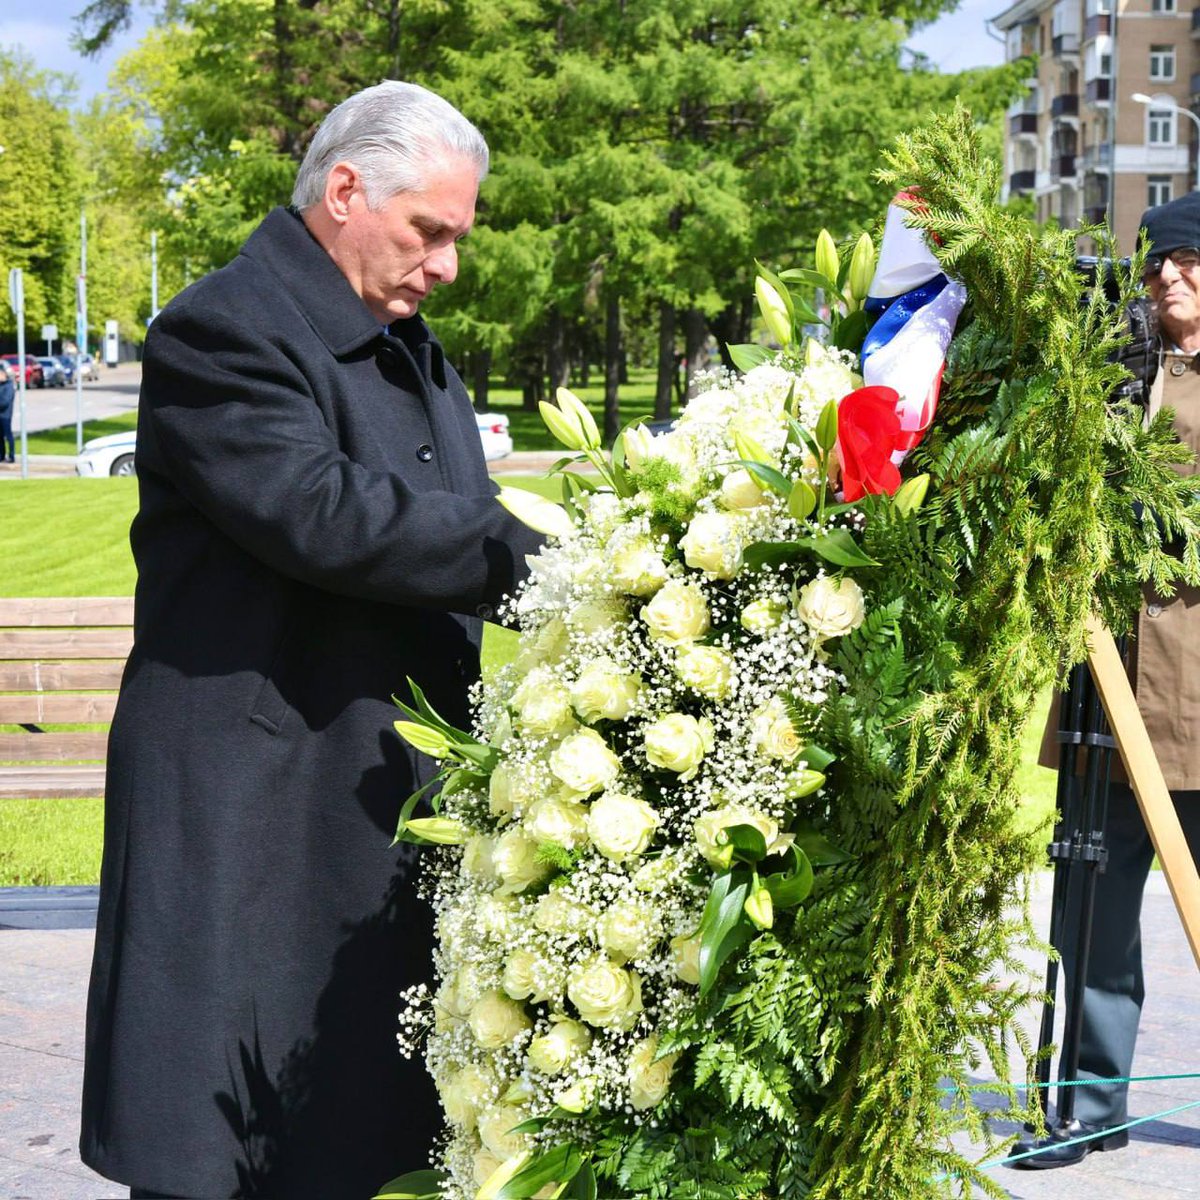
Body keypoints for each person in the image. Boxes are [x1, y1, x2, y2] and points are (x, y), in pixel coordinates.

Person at [80, 81, 544, 1199]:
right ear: (345, 190)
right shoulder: (222, 328)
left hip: (371, 808)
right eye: (429, 231)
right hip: (255, 820)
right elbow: (323, 513)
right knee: (233, 1150)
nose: (445, 267)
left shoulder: (408, 348)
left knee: (365, 1147)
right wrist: (544, 558)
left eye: (456, 239)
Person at [1017, 191, 1200, 1169]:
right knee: (1092, 906)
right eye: (1157, 263)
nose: (1169, 275)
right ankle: (1089, 1107)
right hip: (1112, 687)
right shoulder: (1121, 377)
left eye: (1188, 259)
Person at [0, 360, 15, 462]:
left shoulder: (9, 386)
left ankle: (11, 455)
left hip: (5, 415)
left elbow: (5, 401)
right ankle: (1, 455)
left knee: (8, 435)